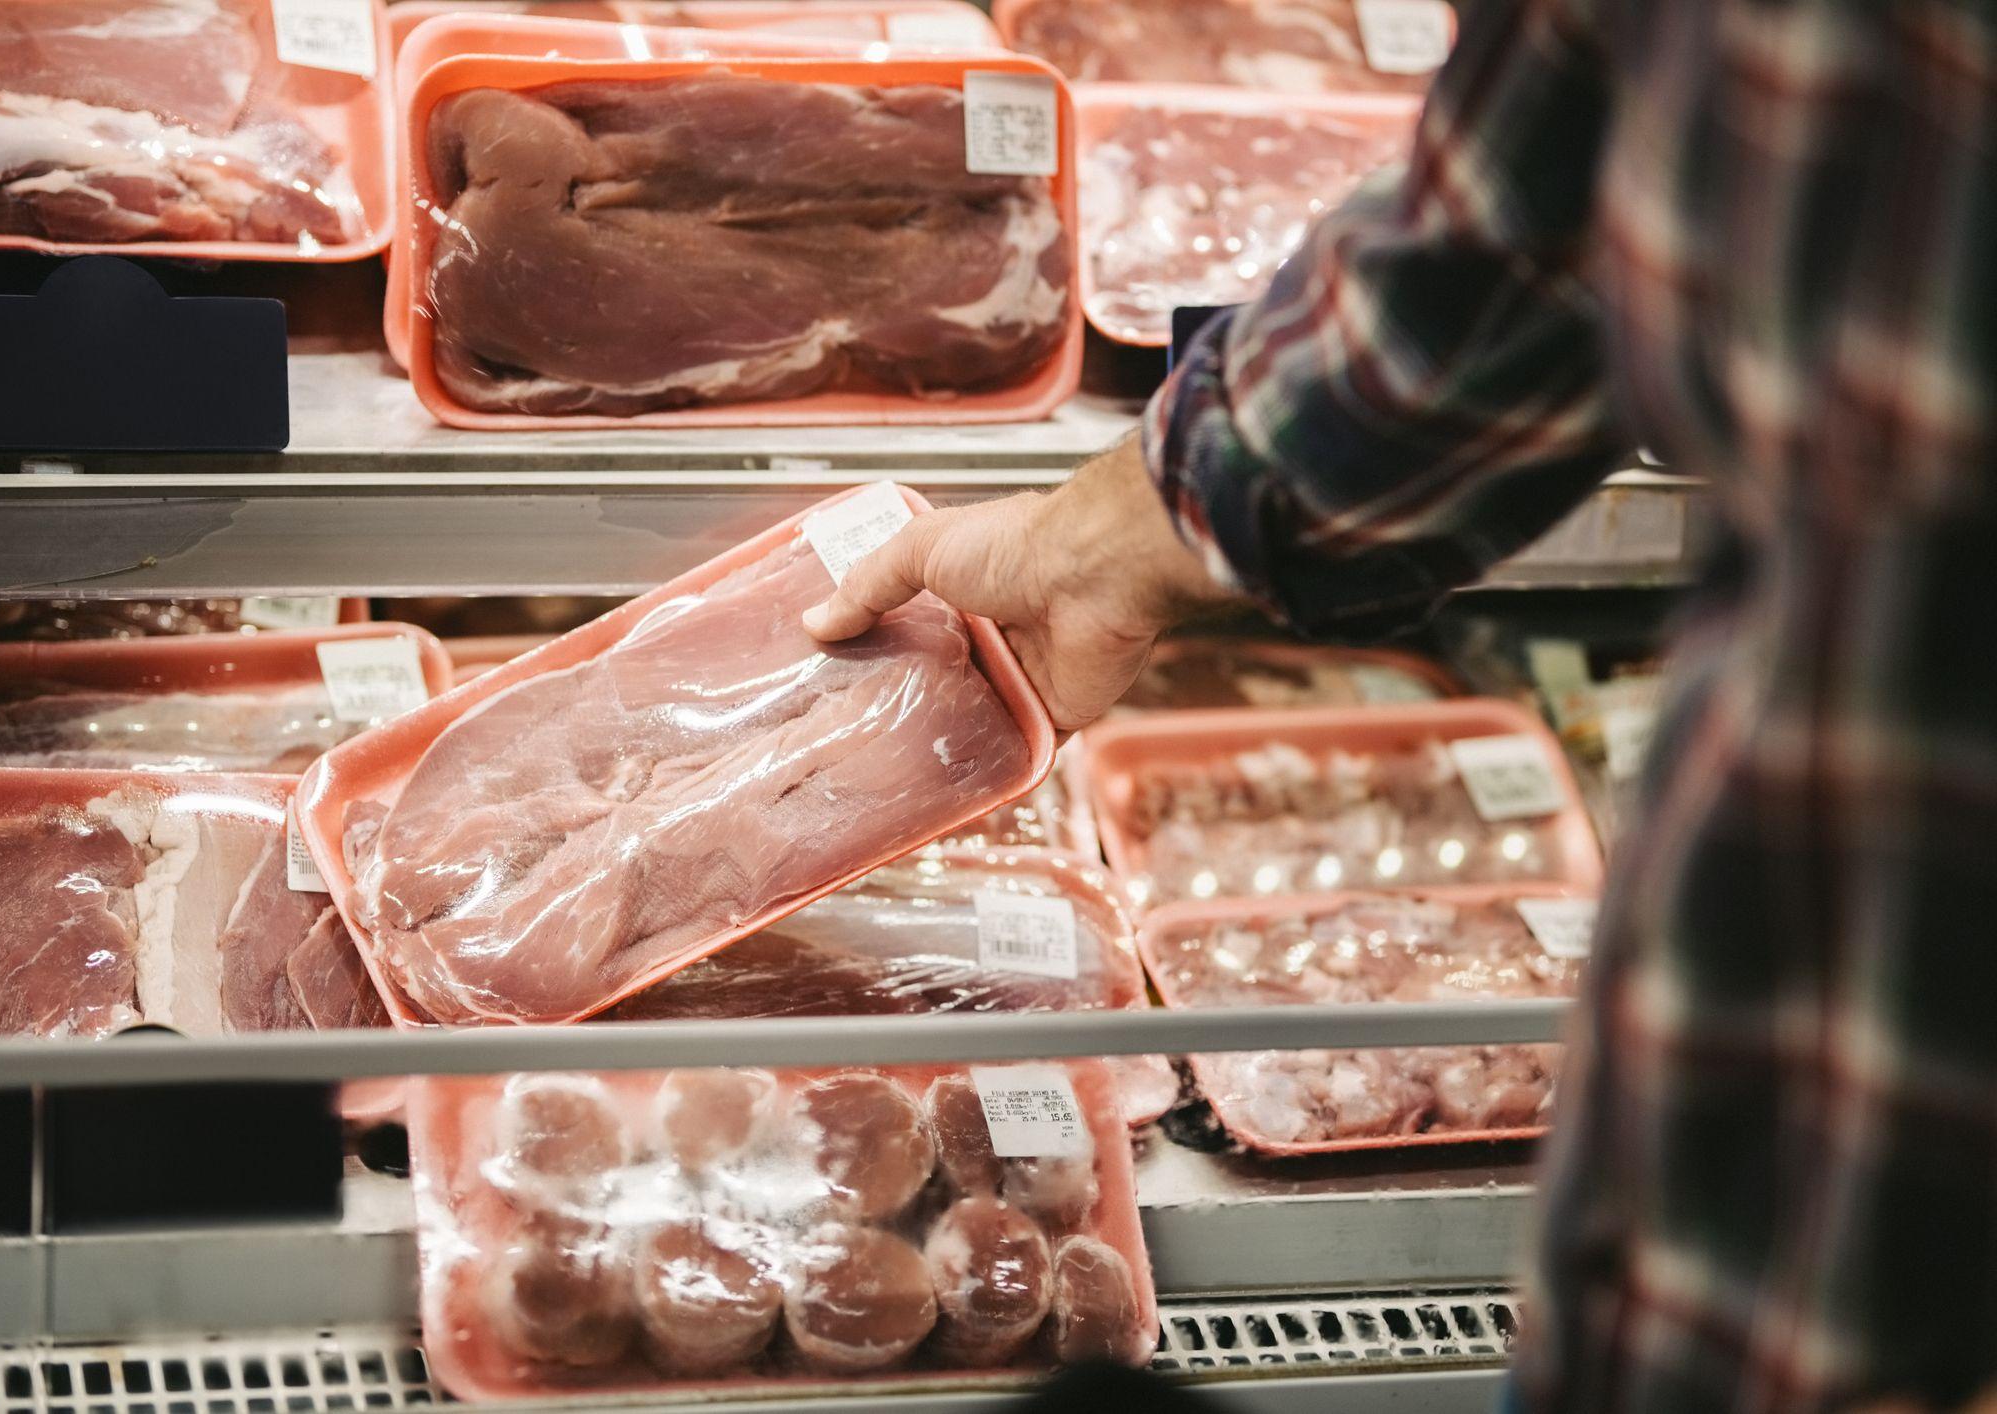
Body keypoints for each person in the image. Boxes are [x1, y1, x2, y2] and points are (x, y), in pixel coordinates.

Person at [803, 0, 1997, 1406]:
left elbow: (1495, 263)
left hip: (1846, 1122)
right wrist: (1091, 560)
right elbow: (1507, 258)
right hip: (1809, 1096)